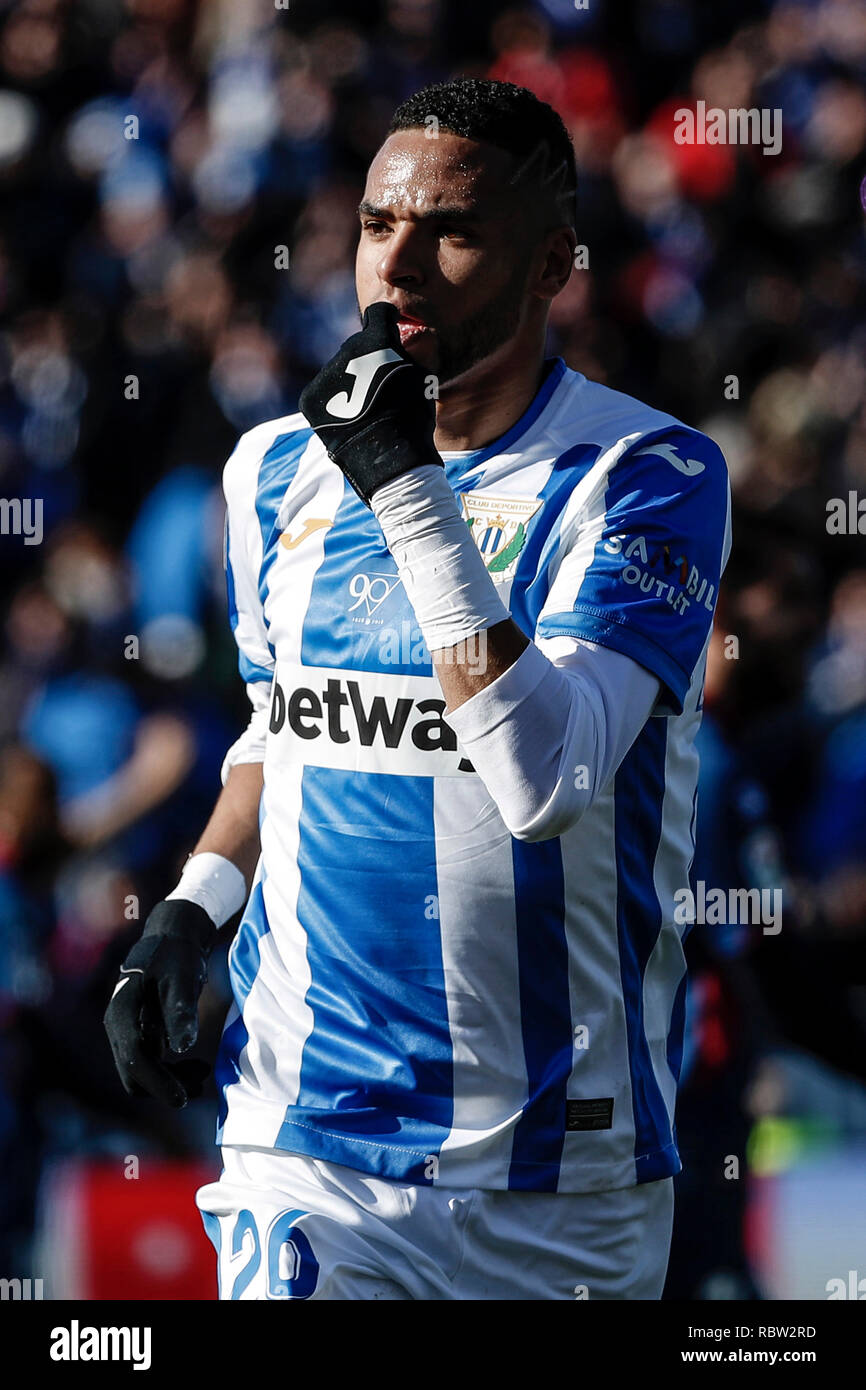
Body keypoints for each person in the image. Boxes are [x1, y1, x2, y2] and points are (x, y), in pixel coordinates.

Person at [104, 78, 730, 1301]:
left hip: (563, 1174)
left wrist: (405, 488)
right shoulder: (271, 469)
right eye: (378, 226)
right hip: (311, 1144)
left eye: (451, 231)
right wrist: (193, 905)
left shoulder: (642, 473)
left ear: (550, 261)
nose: (401, 265)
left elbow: (543, 780)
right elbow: (277, 726)